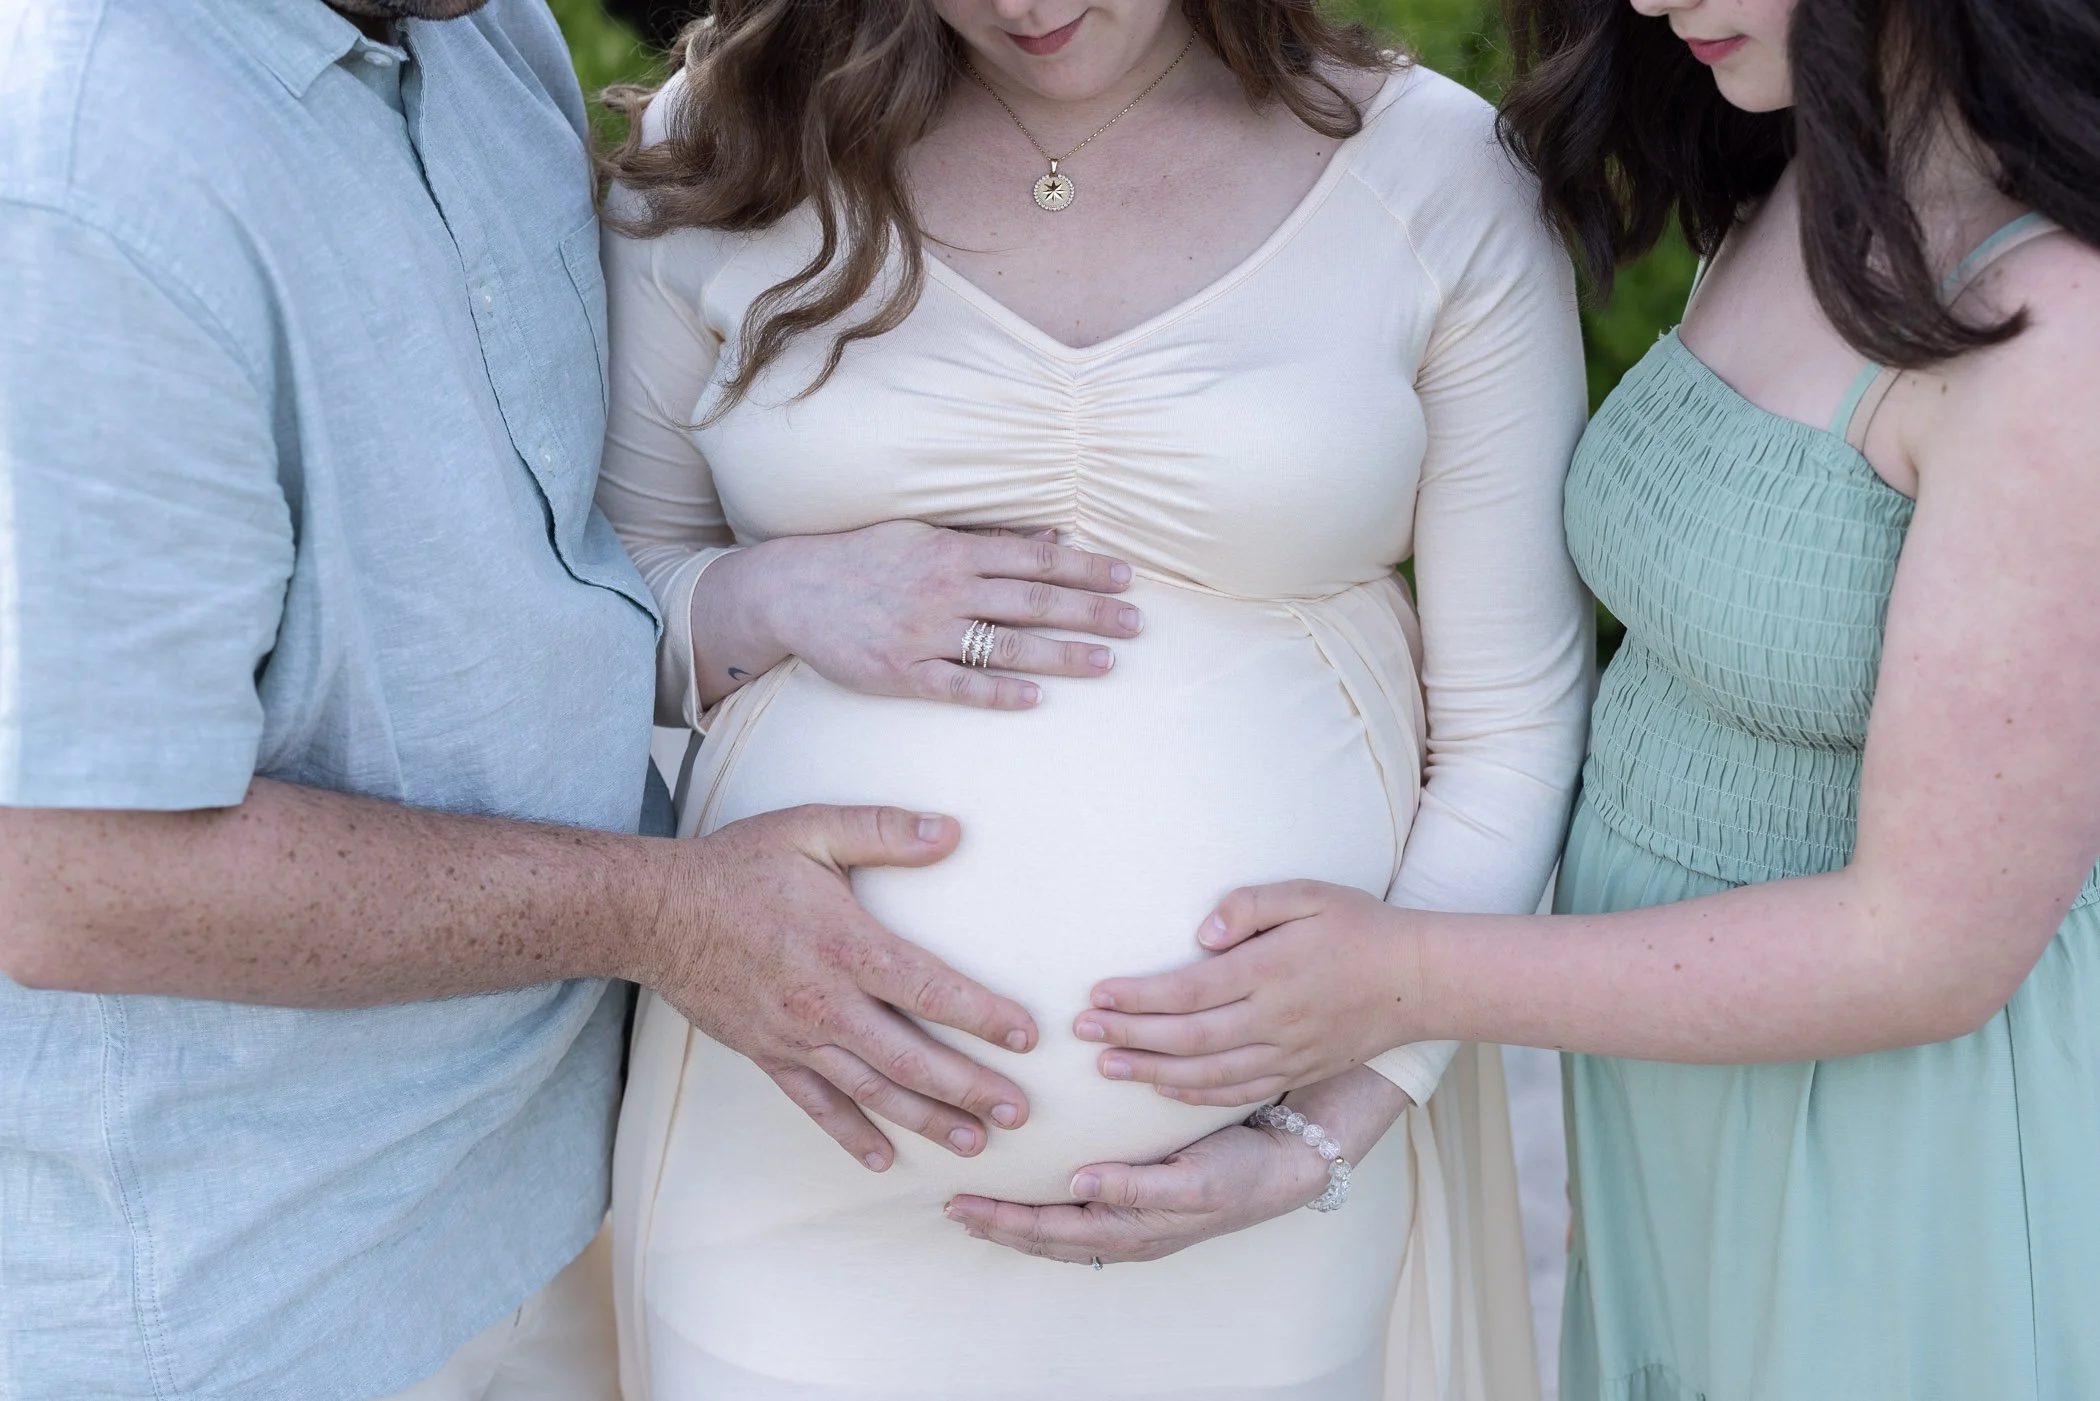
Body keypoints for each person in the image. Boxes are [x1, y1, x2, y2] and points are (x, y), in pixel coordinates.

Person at [0, 2, 1105, 1396]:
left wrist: (739, 606)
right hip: (246, 1304)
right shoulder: (74, 183)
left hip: (559, 1194)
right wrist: (674, 914)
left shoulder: (471, 30)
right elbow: (77, 879)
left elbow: (465, 588)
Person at [1082, 1, 2100, 1398]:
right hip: (1681, 1120)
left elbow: (1928, 951)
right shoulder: (1794, 177)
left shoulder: (2055, 332)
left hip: (1914, 1166)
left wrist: (1396, 976)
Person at [593, 1, 1593, 1397]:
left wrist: (1332, 1127)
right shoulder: (735, 138)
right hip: (788, 1160)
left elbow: (1514, 722)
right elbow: (592, 602)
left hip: (1253, 1193)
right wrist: (762, 600)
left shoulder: (1434, 172)